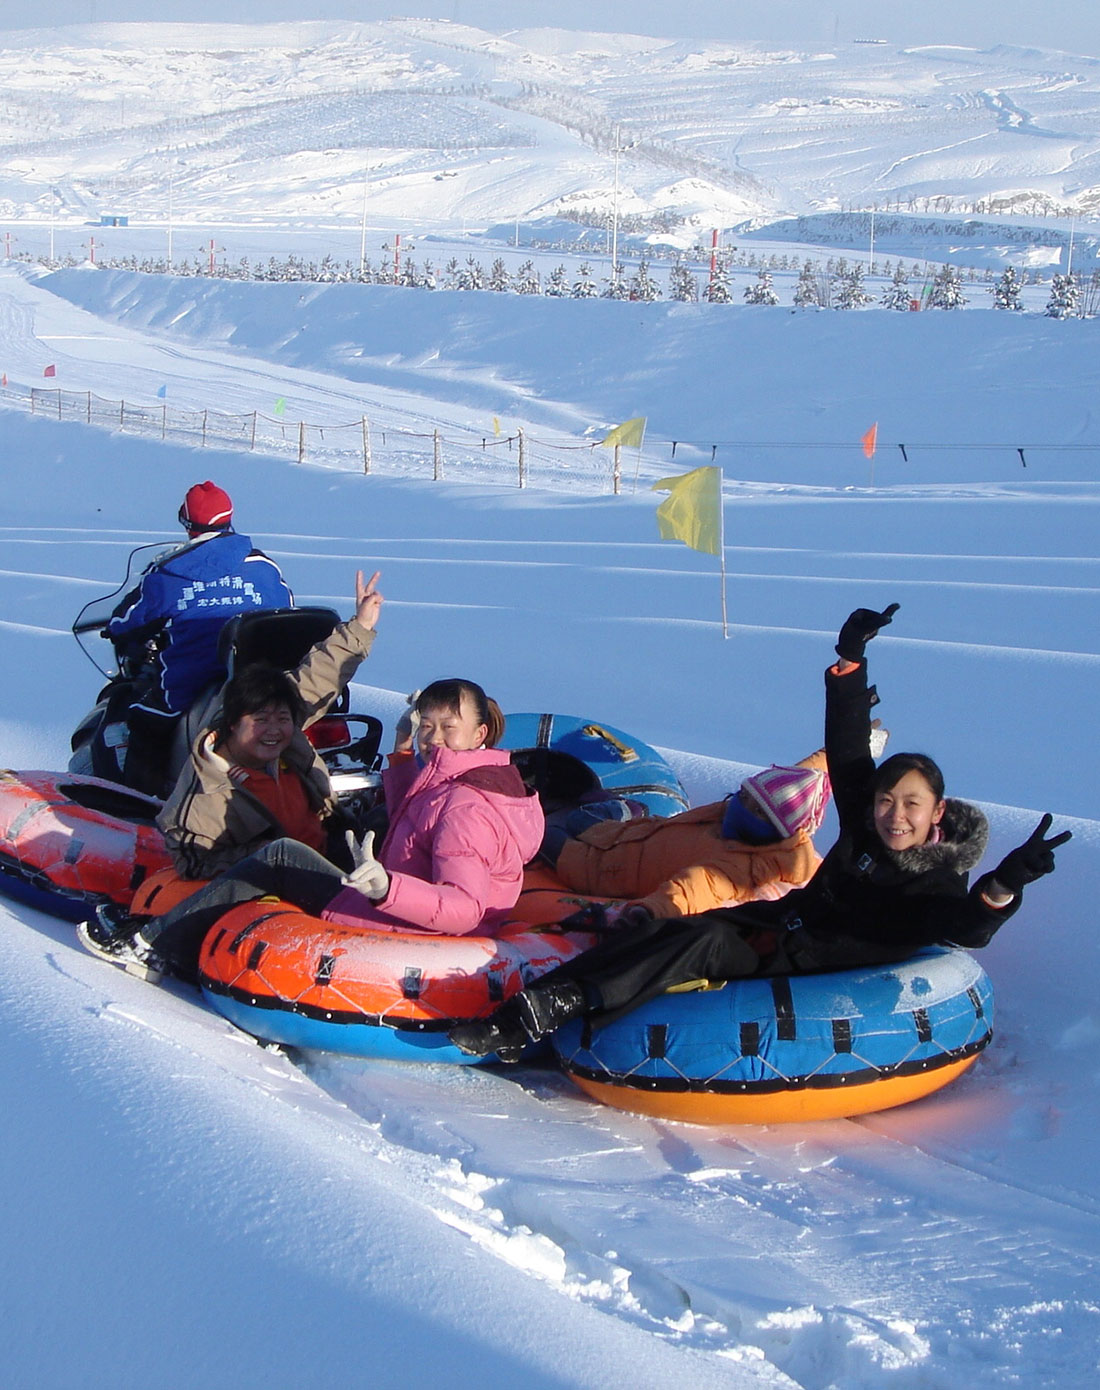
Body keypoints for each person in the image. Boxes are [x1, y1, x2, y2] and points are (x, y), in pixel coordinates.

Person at [450, 604, 1072, 1061]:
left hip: (819, 973)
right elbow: (848, 752)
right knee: (664, 931)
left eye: (910, 805)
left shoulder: (935, 882)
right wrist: (850, 664)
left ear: (937, 814)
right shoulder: (867, 827)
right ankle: (536, 1010)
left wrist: (1003, 884)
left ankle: (540, 1015)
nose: (893, 814)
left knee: (693, 946)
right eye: (887, 800)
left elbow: (966, 928)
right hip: (778, 930)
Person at [79, 677, 544, 983]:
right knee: (326, 843)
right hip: (412, 903)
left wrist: (387, 889)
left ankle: (153, 947)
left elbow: (462, 908)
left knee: (280, 857)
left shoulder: (466, 808)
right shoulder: (470, 778)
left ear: (480, 734)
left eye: (448, 727)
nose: (434, 737)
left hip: (421, 928)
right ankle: (167, 928)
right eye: (427, 725)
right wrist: (404, 754)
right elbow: (417, 820)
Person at [156, 568, 383, 880]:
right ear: (233, 723)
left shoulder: (285, 745)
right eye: (260, 720)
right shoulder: (209, 790)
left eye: (282, 719)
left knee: (389, 819)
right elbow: (193, 862)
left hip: (330, 853)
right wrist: (270, 856)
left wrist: (361, 626)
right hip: (283, 885)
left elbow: (316, 677)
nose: (274, 730)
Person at [106, 481, 293, 796]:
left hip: (190, 685)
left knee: (143, 720)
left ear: (187, 523)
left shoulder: (167, 574)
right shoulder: (263, 566)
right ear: (229, 516)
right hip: (264, 680)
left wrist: (116, 628)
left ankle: (141, 804)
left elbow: (129, 620)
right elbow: (286, 605)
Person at [543, 751, 832, 923]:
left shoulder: (740, 865)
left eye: (756, 808)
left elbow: (693, 889)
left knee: (545, 833)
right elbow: (806, 771)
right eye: (746, 795)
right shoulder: (732, 813)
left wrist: (650, 910)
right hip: (629, 833)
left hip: (596, 868)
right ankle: (625, 807)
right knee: (579, 818)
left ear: (777, 829)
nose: (742, 804)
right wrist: (842, 746)